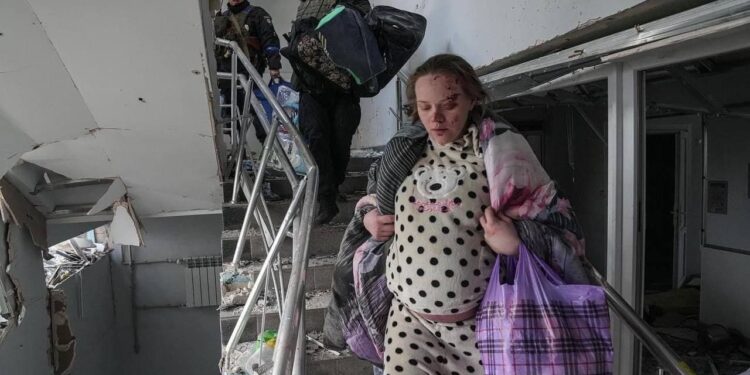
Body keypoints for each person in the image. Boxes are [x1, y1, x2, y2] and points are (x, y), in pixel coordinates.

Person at [359, 54, 590, 374]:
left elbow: (561, 227)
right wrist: (369, 214)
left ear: (473, 99)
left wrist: (516, 242)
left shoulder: (502, 151)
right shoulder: (404, 148)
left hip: (482, 327)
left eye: (449, 104)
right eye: (424, 107)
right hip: (409, 323)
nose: (435, 118)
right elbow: (373, 193)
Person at [293, 0, 372, 225]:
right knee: (316, 138)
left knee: (340, 140)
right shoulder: (306, 3)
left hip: (344, 85)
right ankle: (326, 200)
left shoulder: (357, 2)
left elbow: (364, 32)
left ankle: (334, 185)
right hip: (310, 84)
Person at [215, 0, 283, 144]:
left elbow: (269, 40)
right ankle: (238, 156)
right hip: (227, 77)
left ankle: (271, 153)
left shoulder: (257, 14)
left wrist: (274, 65)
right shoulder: (221, 18)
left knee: (259, 117)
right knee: (231, 120)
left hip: (249, 76)